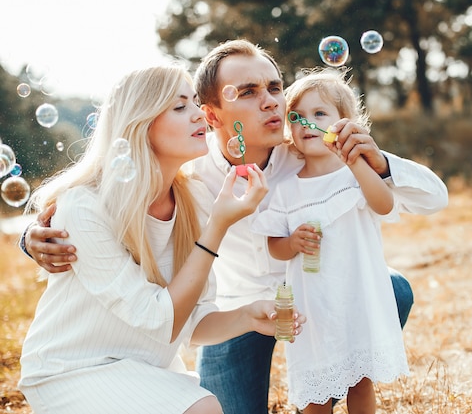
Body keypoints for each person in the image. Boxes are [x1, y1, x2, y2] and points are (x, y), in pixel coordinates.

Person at [22, 39, 448, 413]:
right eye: (248, 92)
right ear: (211, 115)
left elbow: (433, 197)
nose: (271, 101)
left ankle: (326, 386)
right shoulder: (189, 172)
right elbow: (107, 200)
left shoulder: (313, 151)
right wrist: (32, 239)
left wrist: (382, 161)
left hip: (319, 297)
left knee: (394, 288)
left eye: (275, 88)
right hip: (237, 313)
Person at [17, 63, 305, 414]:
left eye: (196, 104)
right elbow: (157, 320)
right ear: (141, 123)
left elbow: (193, 321)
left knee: (203, 406)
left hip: (143, 365)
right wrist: (218, 227)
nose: (200, 115)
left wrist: (247, 316)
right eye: (181, 107)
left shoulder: (194, 197)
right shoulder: (85, 205)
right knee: (204, 408)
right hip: (71, 368)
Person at [253, 67, 409, 413]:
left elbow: (383, 205)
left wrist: (356, 164)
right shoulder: (286, 189)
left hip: (357, 296)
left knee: (360, 380)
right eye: (297, 117)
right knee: (315, 391)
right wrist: (293, 242)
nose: (307, 123)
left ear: (344, 122)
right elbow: (274, 247)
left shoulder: (355, 174)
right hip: (314, 306)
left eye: (319, 114)